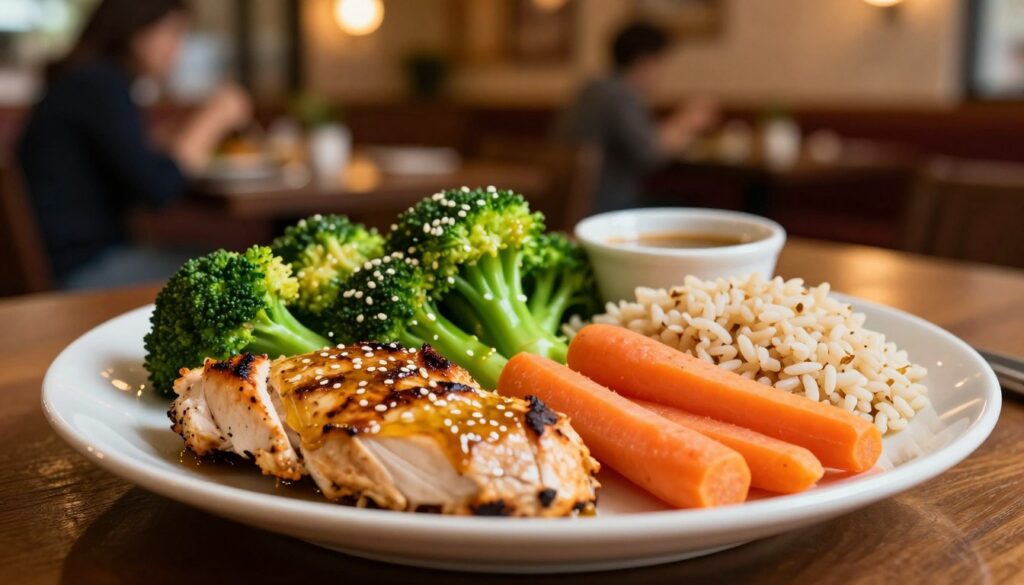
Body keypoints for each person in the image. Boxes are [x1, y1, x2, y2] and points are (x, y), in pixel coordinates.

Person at [17, 0, 252, 289]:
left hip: (69, 258)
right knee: (238, 270)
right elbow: (159, 189)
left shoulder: (85, 79)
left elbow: (133, 162)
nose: (178, 48)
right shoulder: (100, 84)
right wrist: (212, 121)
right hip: (78, 269)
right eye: (174, 32)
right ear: (139, 33)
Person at [556, 22, 719, 213]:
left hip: (570, 204)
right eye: (660, 63)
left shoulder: (592, 87)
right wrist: (687, 120)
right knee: (692, 209)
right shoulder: (620, 94)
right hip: (605, 207)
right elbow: (650, 154)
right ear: (646, 61)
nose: (661, 73)